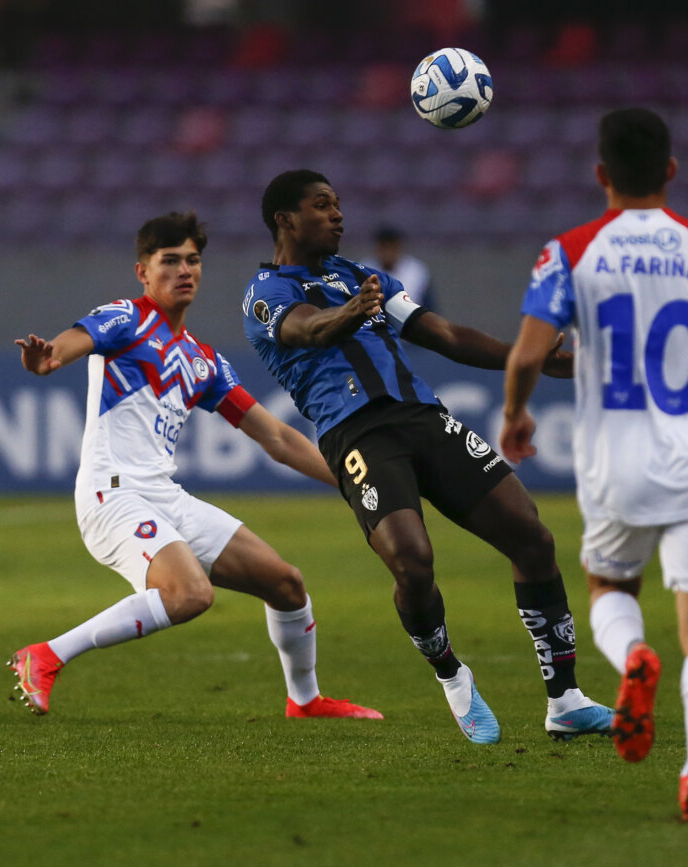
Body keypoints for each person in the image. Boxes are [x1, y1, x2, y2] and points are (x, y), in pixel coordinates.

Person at [241, 170, 612, 745]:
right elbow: (307, 331)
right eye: (322, 205)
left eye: (338, 203)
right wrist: (351, 313)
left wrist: (530, 358)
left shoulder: (363, 277)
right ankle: (452, 676)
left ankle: (565, 700)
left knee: (532, 538)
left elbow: (443, 334)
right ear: (286, 220)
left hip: (423, 417)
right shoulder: (265, 293)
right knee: (412, 562)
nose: (338, 214)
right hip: (356, 435)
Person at [499, 108, 688, 822]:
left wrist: (516, 413)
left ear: (601, 174)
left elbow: (527, 354)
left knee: (608, 584)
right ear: (671, 171)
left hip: (615, 466)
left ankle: (632, 661)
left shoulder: (570, 251)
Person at [8, 211, 381, 722]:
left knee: (286, 584)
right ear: (143, 272)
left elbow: (275, 437)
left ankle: (305, 701)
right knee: (189, 594)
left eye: (193, 260)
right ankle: (47, 655)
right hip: (111, 494)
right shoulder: (125, 318)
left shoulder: (202, 359)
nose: (184, 270)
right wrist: (46, 358)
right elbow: (62, 349)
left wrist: (352, 479)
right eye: (170, 261)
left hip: (163, 496)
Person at [361, 225, 437, 312]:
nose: (388, 252)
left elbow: (429, 308)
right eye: (384, 247)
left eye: (392, 247)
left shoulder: (416, 271)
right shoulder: (364, 270)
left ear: (399, 247)